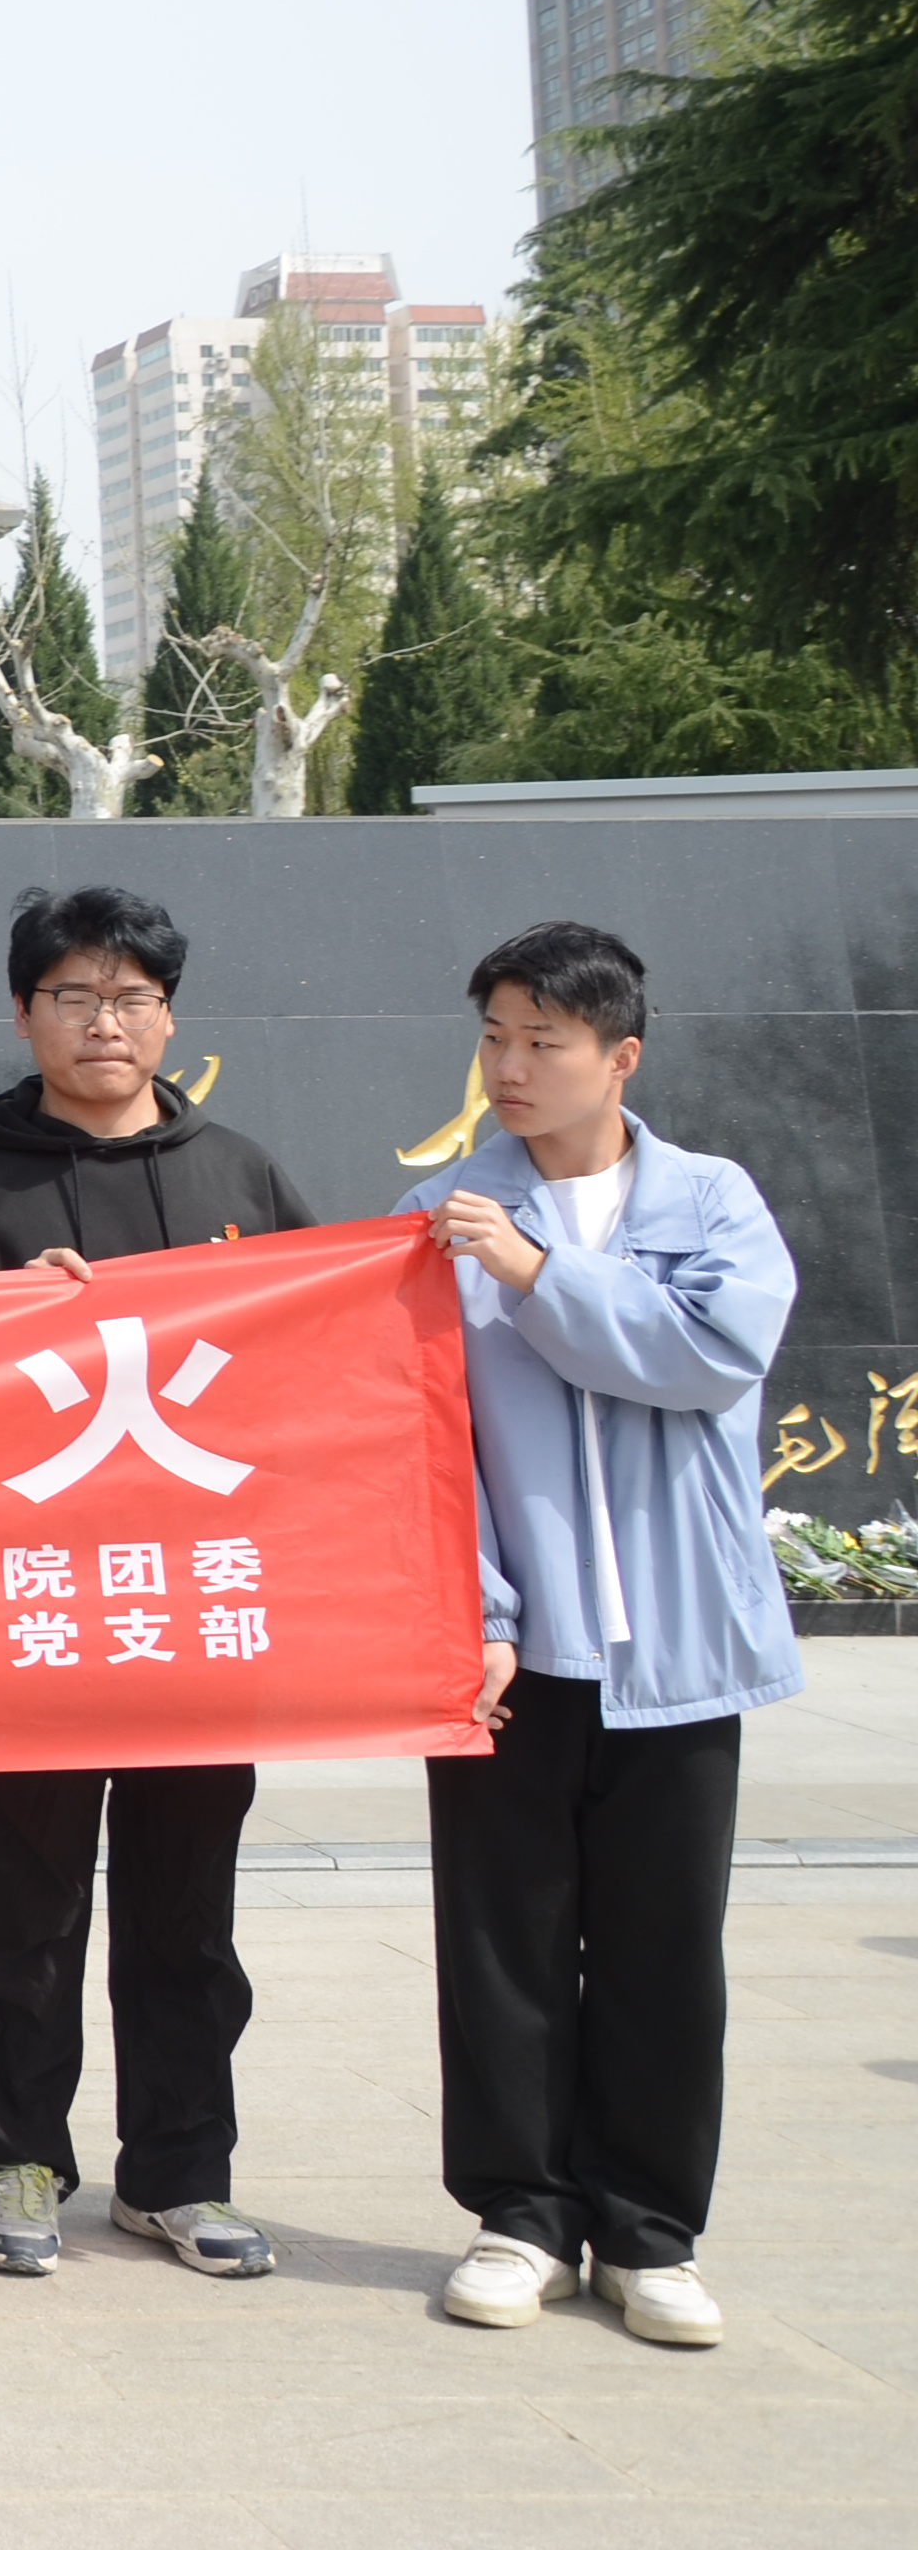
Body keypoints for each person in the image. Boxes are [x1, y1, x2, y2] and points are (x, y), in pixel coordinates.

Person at [0, 884, 313, 2284]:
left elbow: (318, 1380)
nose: (103, 1022)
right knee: (26, 1906)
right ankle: (14, 2161)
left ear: (168, 1017)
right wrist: (2, 1322)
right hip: (30, 1612)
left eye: (131, 997)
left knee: (187, 1914)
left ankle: (179, 2173)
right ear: (23, 1014)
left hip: (195, 1607)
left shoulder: (242, 1180)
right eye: (72, 995)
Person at [407, 923, 801, 2350]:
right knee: (501, 1944)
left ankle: (648, 2233)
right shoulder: (440, 1216)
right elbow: (423, 1438)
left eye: (543, 1041)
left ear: (619, 1056)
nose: (509, 1067)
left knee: (661, 1948)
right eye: (493, 1038)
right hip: (513, 1658)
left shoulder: (711, 1201)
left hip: (679, 1651)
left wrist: (534, 1274)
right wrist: (481, 1613)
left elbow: (706, 1360)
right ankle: (519, 2217)